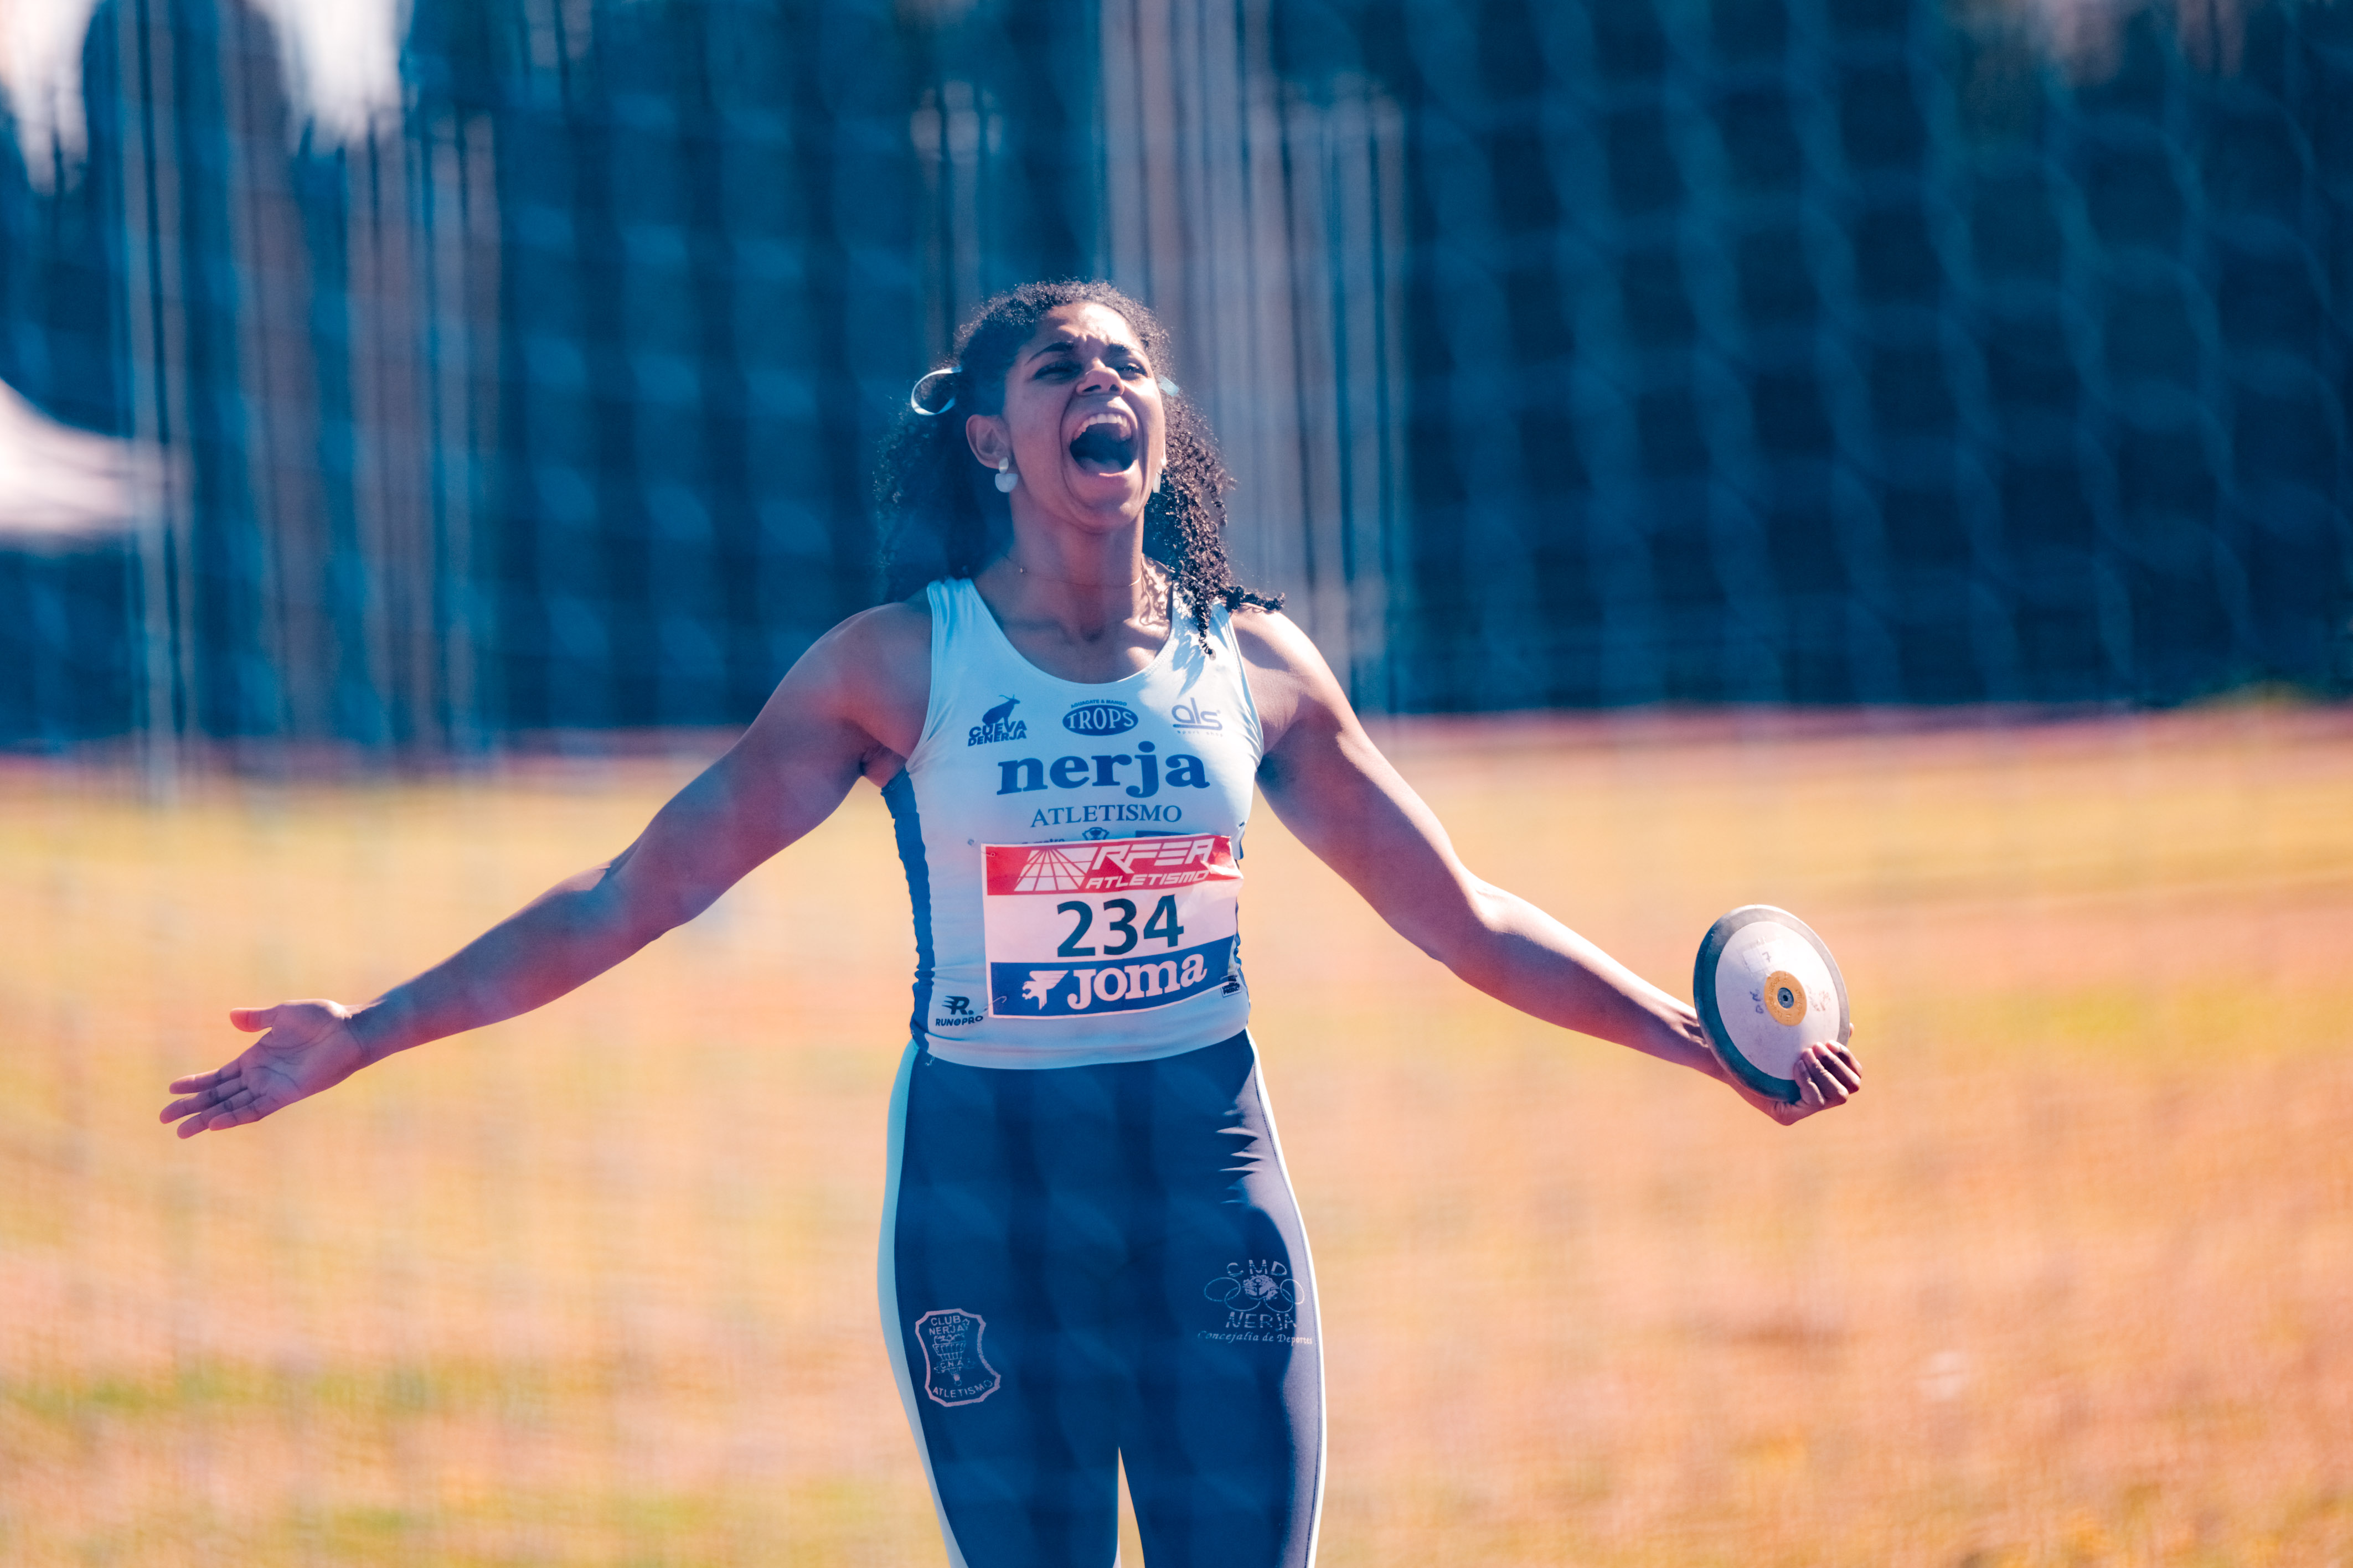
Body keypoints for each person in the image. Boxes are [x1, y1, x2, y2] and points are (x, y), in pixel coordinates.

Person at [159, 279, 1861, 1568]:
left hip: (1206, 1180)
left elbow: (1467, 919)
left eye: (1125, 365)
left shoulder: (1256, 668)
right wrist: (365, 1030)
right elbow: (631, 893)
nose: (1103, 384)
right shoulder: (895, 666)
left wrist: (1697, 1043)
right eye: (1059, 368)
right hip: (987, 1195)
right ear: (990, 439)